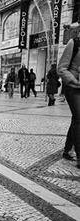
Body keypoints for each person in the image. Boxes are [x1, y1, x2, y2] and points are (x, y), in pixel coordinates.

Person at [58, 36, 80, 168]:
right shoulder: (74, 43)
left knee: (76, 119)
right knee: (79, 118)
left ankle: (67, 150)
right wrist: (75, 81)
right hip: (74, 87)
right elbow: (61, 68)